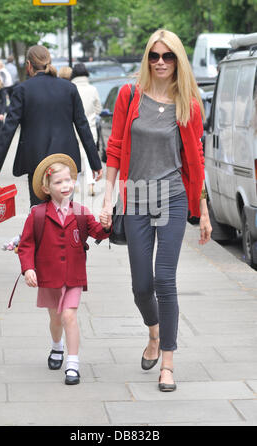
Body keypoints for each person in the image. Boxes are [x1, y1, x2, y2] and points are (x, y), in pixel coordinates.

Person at [100, 29, 212, 392]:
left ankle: (167, 361)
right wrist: (107, 199)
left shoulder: (189, 104)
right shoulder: (129, 95)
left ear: (178, 60)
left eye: (168, 56)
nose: (160, 62)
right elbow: (115, 147)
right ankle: (154, 331)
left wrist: (203, 209)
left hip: (173, 197)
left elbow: (196, 159)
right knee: (141, 285)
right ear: (147, 58)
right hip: (136, 197)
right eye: (154, 56)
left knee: (165, 279)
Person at [17, 153, 111, 385]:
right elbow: (26, 245)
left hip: (73, 275)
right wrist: (28, 268)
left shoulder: (80, 212)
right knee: (55, 318)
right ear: (47, 188)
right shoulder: (37, 214)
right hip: (48, 276)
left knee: (69, 315)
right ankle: (56, 346)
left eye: (68, 180)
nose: (65, 185)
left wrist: (107, 225)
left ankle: (73, 363)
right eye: (58, 182)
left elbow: (98, 232)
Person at [0, 45, 103, 206]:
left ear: (29, 65)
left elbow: (8, 129)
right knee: (65, 213)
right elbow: (82, 126)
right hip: (65, 159)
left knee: (39, 213)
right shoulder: (69, 88)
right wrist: (95, 163)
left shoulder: (23, 90)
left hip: (36, 160)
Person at [71, 63, 102, 196]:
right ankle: (91, 183)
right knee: (89, 155)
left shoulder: (71, 88)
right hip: (89, 127)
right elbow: (98, 109)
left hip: (72, 128)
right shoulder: (93, 89)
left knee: (75, 157)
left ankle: (76, 184)